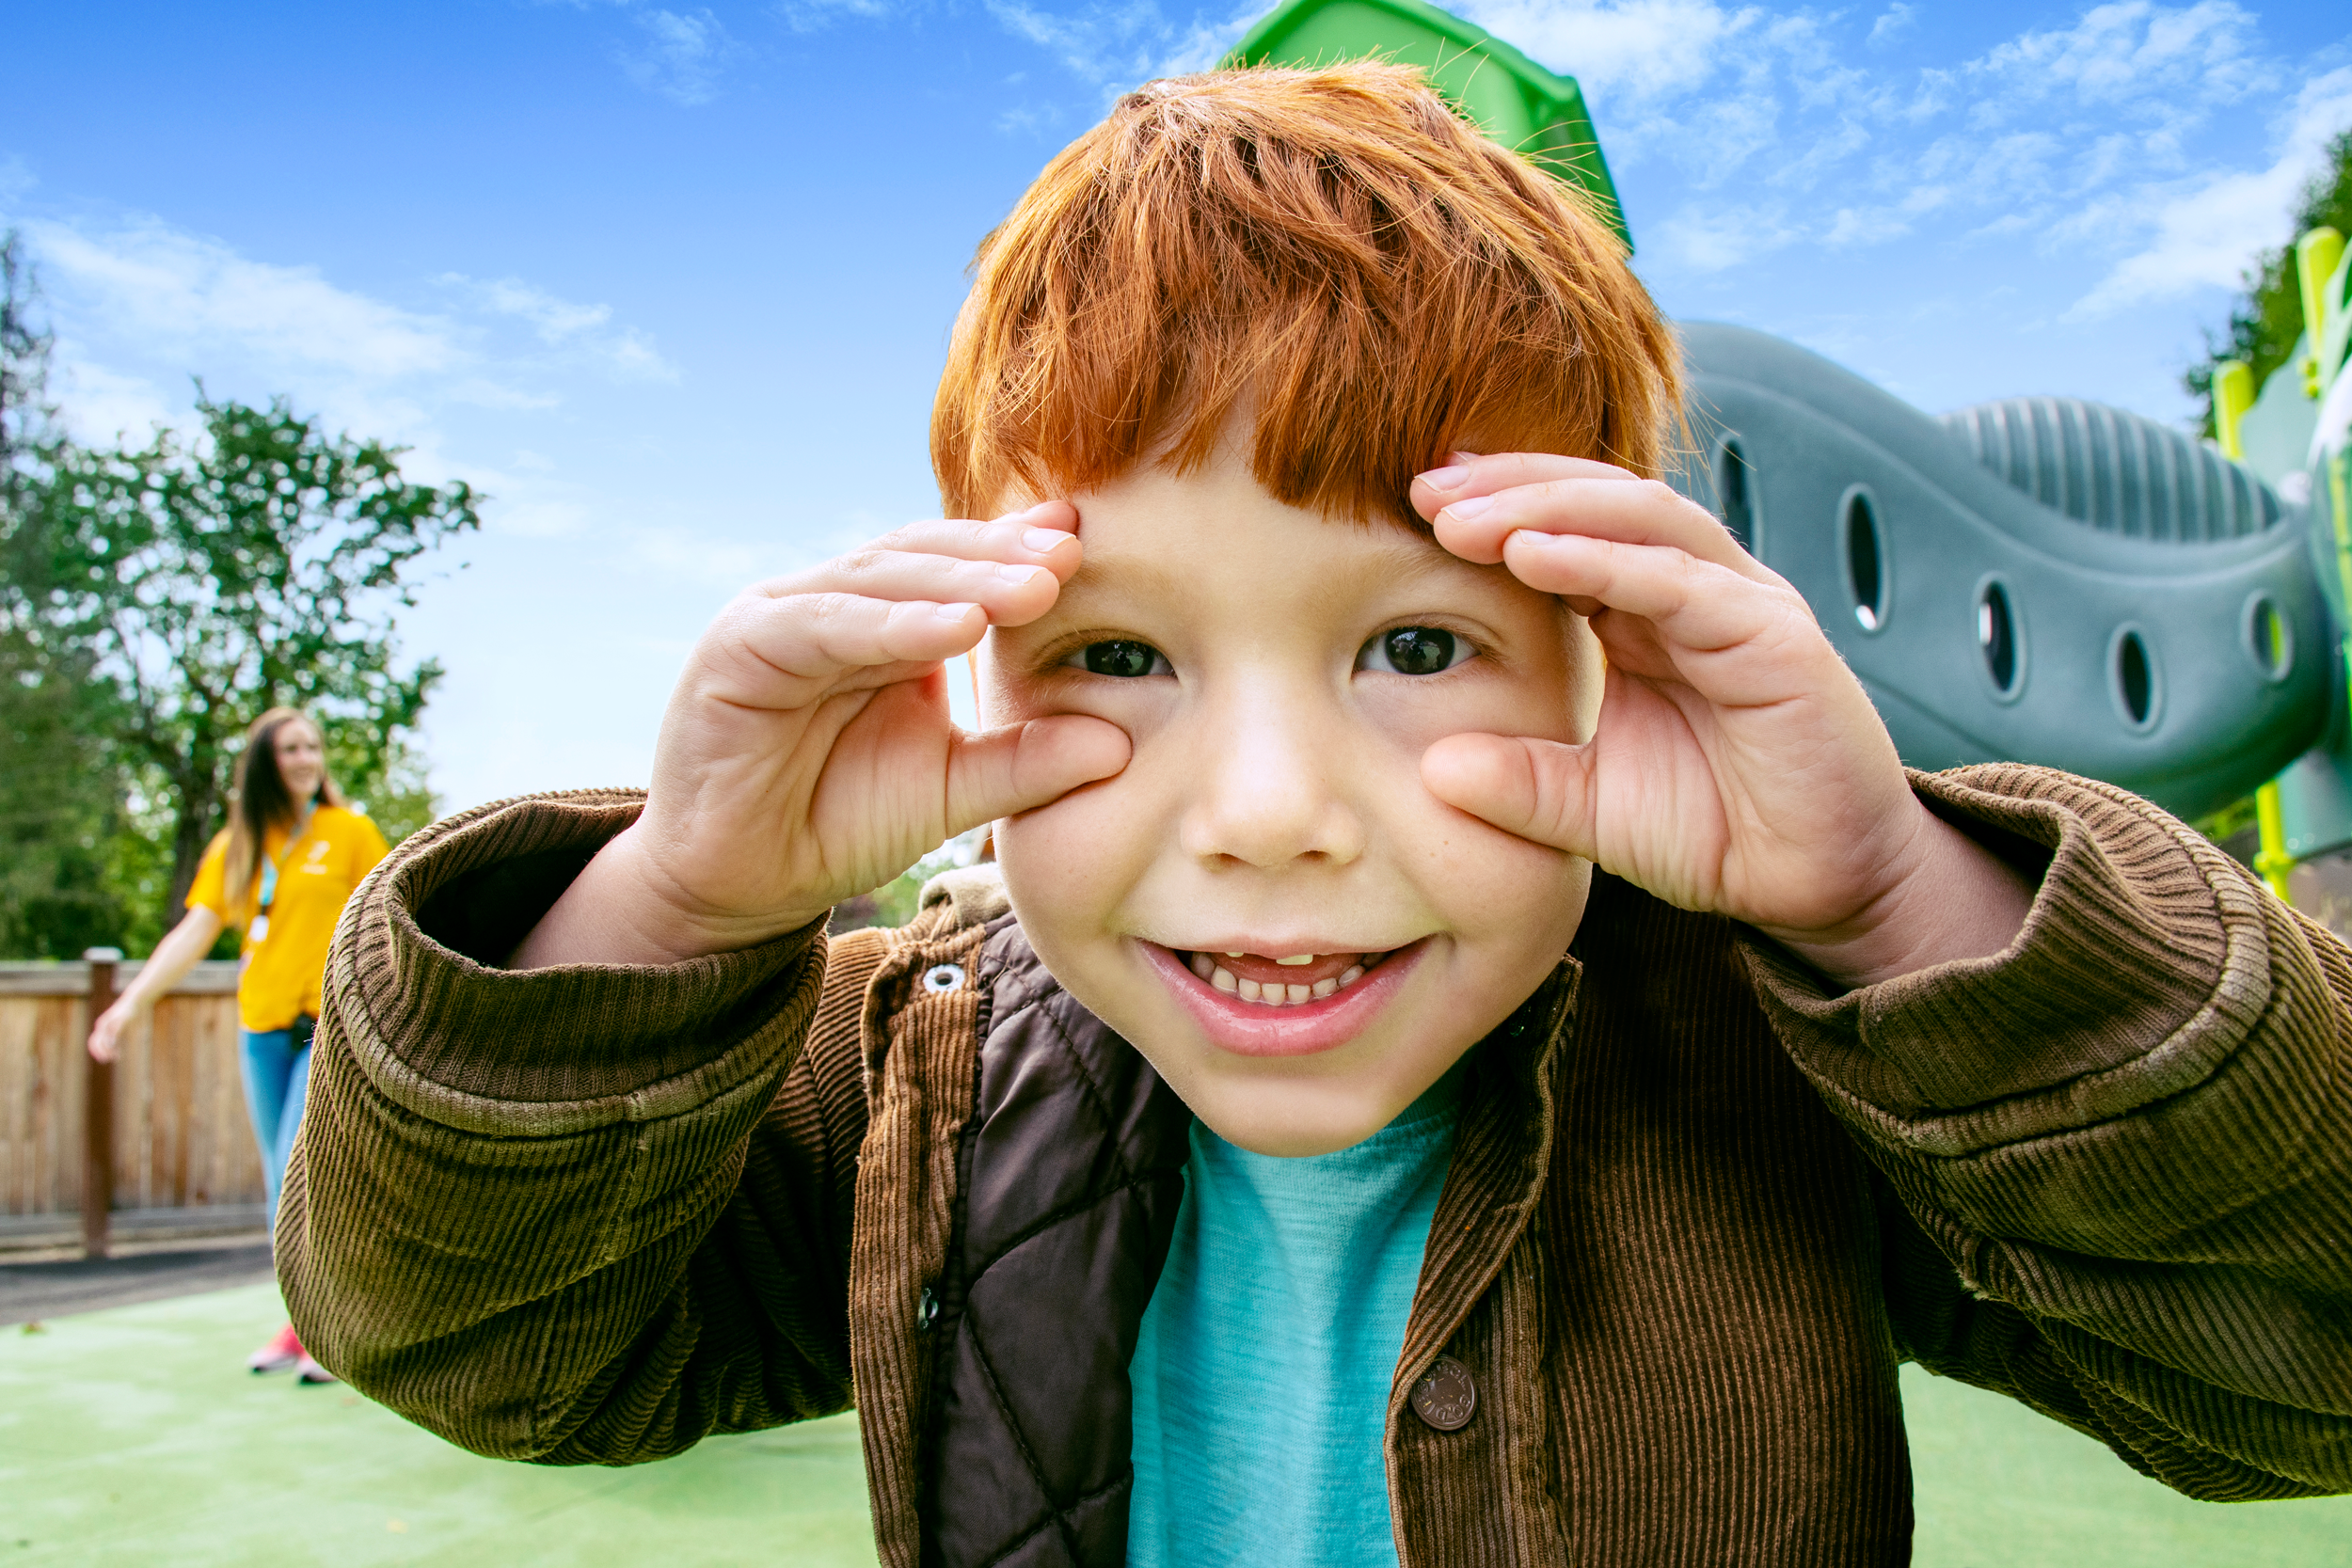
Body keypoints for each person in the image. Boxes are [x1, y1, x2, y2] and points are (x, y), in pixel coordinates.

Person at [280, 64, 2348, 1564]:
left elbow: (2294, 1369)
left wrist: (1896, 900)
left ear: (1607, 665)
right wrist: (660, 903)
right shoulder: (906, 1072)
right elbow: (480, 1343)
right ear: (970, 665)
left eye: (1419, 645)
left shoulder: (1791, 1052)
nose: (1266, 815)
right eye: (1117, 653)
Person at [90, 706, 388, 1385]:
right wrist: (129, 1006)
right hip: (261, 1031)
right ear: (264, 762)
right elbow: (194, 932)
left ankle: (334, 1332)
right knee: (277, 1183)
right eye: (291, 748)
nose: (307, 758)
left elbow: (385, 915)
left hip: (323, 1028)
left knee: (303, 1170)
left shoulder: (349, 833)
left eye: (313, 746)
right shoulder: (238, 844)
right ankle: (299, 1321)